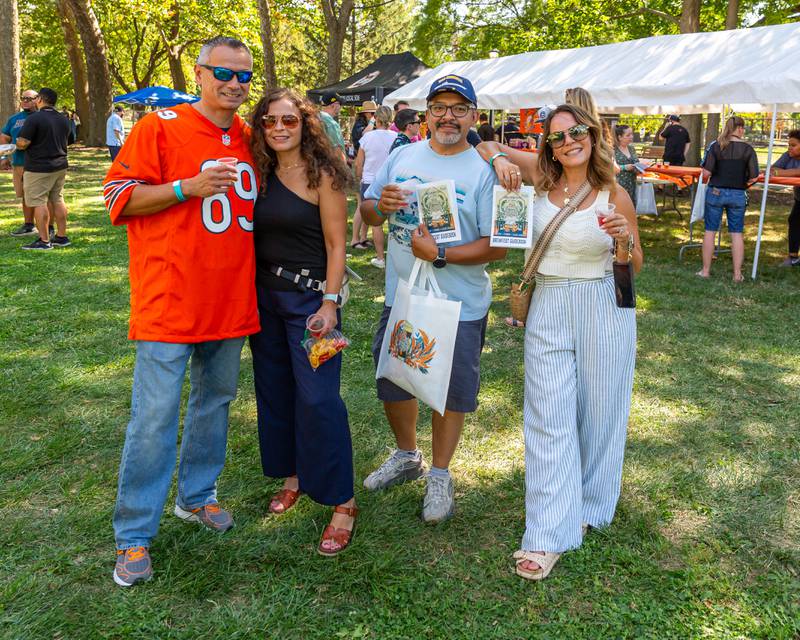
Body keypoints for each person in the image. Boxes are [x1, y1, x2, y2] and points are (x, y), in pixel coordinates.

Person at [102, 36, 259, 587]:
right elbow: (117, 195)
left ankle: (196, 496)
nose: (235, 83)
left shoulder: (250, 135)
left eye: (244, 75)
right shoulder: (159, 126)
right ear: (199, 73)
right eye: (224, 72)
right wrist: (182, 188)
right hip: (170, 298)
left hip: (231, 300)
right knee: (154, 418)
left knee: (214, 404)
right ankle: (134, 533)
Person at [478, 103, 642, 580]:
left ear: (592, 135)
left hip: (602, 305)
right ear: (548, 144)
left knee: (601, 409)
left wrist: (624, 239)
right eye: (557, 137)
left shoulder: (615, 192)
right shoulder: (539, 179)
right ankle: (547, 532)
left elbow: (635, 268)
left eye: (577, 133)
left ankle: (591, 503)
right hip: (548, 303)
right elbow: (484, 142)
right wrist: (499, 162)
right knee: (547, 413)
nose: (568, 142)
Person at [360, 75, 505, 523]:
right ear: (426, 114)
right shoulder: (403, 156)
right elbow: (366, 211)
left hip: (460, 303)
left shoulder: (485, 173)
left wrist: (439, 253)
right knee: (393, 379)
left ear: (473, 117)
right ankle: (408, 455)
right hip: (402, 296)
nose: (448, 116)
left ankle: (440, 473)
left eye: (459, 109)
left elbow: (497, 245)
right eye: (440, 107)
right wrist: (379, 207)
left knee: (451, 393)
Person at [248, 88, 357, 556]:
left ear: (305, 123)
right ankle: (294, 475)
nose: (278, 129)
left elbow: (337, 246)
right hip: (264, 300)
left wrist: (330, 304)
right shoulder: (261, 173)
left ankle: (343, 502)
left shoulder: (324, 174)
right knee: (275, 393)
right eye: (270, 121)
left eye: (288, 121)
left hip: (312, 304)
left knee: (319, 399)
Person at [697, 116, 759, 282]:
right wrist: (742, 184)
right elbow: (754, 177)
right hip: (738, 194)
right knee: (736, 233)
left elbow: (706, 173)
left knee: (710, 231)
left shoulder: (716, 146)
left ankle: (705, 271)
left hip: (716, 192)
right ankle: (737, 274)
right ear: (739, 129)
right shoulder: (748, 149)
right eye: (743, 128)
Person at [15, 87, 72, 250]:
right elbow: (70, 140)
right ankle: (61, 237)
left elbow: (23, 143)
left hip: (39, 168)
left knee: (39, 202)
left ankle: (44, 240)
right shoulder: (63, 118)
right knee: (58, 199)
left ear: (40, 99)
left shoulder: (34, 118)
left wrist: (17, 143)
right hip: (60, 165)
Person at [356, 105, 396, 269]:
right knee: (395, 221)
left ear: (376, 119)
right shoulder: (396, 136)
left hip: (370, 181)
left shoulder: (367, 137)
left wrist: (359, 178)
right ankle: (394, 256)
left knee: (376, 223)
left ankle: (381, 258)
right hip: (390, 181)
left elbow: (359, 163)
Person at [1, 89, 39, 237]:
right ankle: (29, 225)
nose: (25, 101)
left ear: (38, 99)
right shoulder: (14, 119)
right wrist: (3, 158)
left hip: (38, 164)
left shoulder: (42, 117)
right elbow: (4, 138)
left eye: (29, 99)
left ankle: (47, 226)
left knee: (42, 196)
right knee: (25, 195)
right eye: (23, 98)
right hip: (19, 163)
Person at [350, 100, 378, 250]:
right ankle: (354, 239)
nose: (374, 116)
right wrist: (374, 121)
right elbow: (364, 136)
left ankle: (363, 237)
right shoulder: (360, 126)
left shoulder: (370, 125)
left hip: (368, 168)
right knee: (361, 205)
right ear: (367, 114)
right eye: (373, 114)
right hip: (360, 167)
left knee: (367, 206)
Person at [772, 129, 800, 267]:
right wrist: (793, 173)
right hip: (799, 198)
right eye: (789, 144)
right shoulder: (788, 156)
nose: (789, 147)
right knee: (794, 220)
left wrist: (788, 172)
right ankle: (793, 257)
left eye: (793, 145)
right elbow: (772, 170)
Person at [614, 125, 641, 206]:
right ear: (620, 137)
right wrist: (625, 167)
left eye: (631, 134)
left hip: (632, 184)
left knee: (631, 206)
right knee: (620, 207)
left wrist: (639, 167)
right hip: (619, 185)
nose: (631, 137)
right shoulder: (613, 150)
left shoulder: (631, 148)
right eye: (628, 135)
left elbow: (636, 162)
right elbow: (608, 167)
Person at [318, 92, 346, 163]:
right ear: (334, 105)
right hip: (331, 168)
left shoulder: (314, 118)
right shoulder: (331, 123)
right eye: (340, 104)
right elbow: (338, 154)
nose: (340, 107)